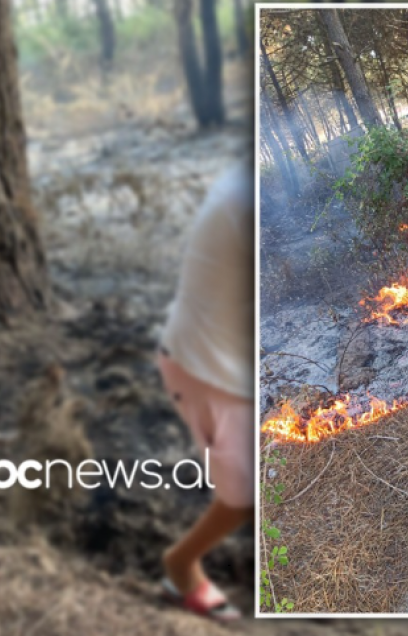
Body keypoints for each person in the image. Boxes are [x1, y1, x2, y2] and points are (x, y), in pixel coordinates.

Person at [158, 164, 254, 620]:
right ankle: (180, 566)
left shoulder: (243, 185)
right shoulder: (244, 202)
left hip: (211, 353)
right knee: (243, 495)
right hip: (204, 368)